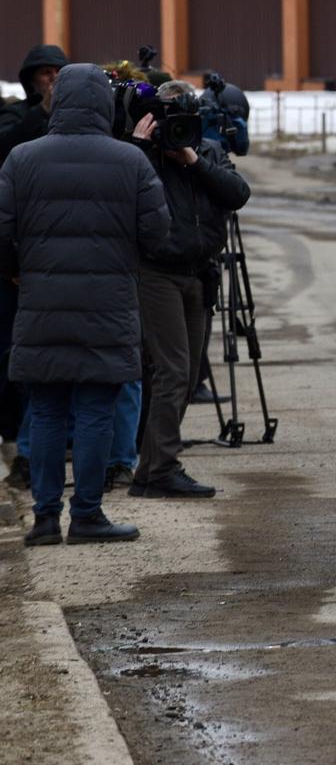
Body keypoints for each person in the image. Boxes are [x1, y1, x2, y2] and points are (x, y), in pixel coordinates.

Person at [1, 64, 169, 547]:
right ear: (104, 104)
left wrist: (18, 271)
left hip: (41, 303)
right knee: (96, 409)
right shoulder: (130, 161)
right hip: (108, 305)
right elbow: (157, 234)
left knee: (49, 410)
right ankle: (88, 515)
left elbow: (1, 231)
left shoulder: (21, 158)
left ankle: (46, 518)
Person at [129, 82, 251, 499]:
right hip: (157, 273)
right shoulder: (139, 159)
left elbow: (238, 194)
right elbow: (125, 199)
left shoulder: (209, 151)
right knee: (173, 371)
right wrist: (143, 149)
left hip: (200, 273)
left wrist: (194, 159)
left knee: (183, 372)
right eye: (166, 119)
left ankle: (150, 471)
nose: (173, 128)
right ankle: (161, 468)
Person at [0, 44, 67, 473]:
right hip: (19, 265)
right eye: (44, 74)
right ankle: (20, 442)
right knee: (20, 357)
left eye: (57, 73)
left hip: (61, 260)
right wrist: (41, 112)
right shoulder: (17, 119)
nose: (51, 80)